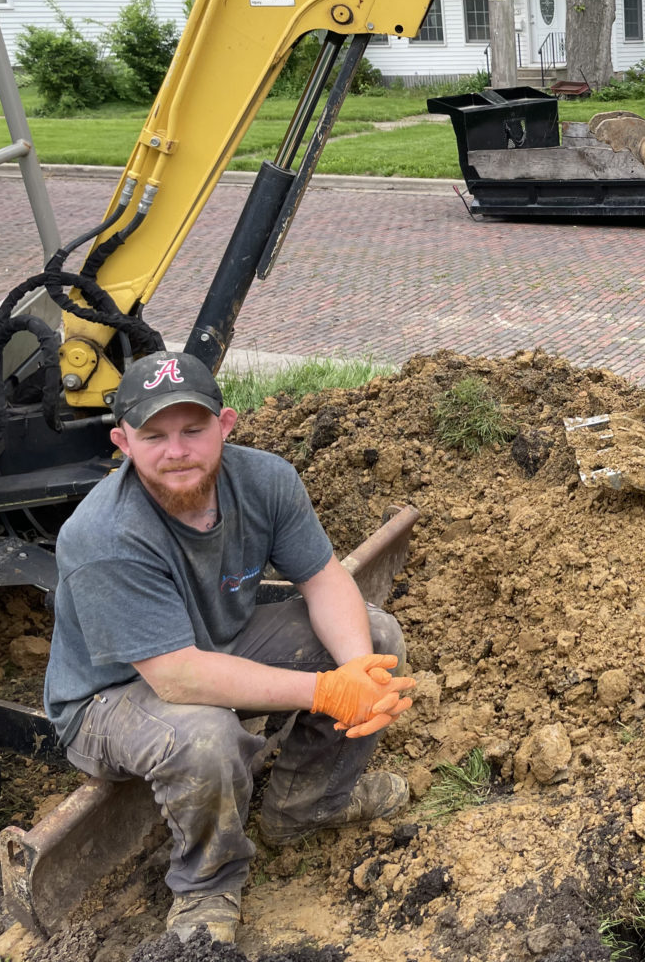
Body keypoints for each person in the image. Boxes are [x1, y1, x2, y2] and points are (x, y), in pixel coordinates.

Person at [44, 350, 417, 945]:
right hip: (110, 696)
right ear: (122, 441)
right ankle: (207, 884)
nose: (177, 451)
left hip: (209, 645)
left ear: (226, 425)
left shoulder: (265, 480)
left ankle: (304, 806)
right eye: (154, 435)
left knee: (376, 641)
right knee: (204, 734)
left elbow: (324, 581)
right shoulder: (103, 536)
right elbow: (177, 679)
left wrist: (355, 673)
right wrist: (325, 691)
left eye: (193, 430)